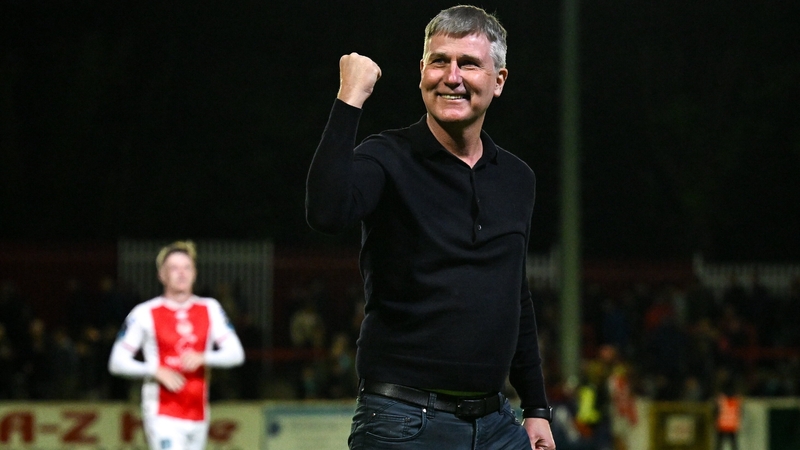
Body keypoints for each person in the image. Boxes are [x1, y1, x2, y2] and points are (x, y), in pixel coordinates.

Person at [305, 5, 555, 449]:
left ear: (498, 81)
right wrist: (350, 99)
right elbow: (325, 212)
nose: (452, 76)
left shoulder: (517, 178)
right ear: (422, 71)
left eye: (469, 63)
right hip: (402, 422)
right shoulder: (385, 156)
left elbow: (515, 296)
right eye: (440, 61)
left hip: (497, 422)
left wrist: (536, 408)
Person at [108, 241, 245, 450]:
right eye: (174, 268)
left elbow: (236, 354)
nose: (181, 273)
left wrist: (204, 357)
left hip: (198, 412)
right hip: (162, 412)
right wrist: (154, 370)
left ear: (195, 273)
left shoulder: (210, 308)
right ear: (161, 275)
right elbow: (117, 362)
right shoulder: (144, 313)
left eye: (187, 267)